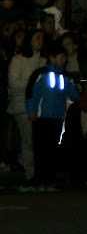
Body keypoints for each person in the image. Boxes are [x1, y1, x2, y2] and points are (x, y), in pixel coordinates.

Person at [25, 42, 81, 187]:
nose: (64, 60)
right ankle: (40, 177)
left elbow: (75, 96)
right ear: (52, 58)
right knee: (40, 148)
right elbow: (31, 94)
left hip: (57, 117)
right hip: (41, 116)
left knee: (52, 147)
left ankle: (49, 177)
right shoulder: (40, 74)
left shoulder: (65, 77)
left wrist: (74, 86)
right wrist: (31, 111)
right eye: (61, 57)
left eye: (64, 57)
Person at [7, 29, 46, 183]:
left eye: (42, 38)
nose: (40, 41)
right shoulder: (18, 60)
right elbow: (14, 83)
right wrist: (33, 83)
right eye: (37, 38)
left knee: (36, 141)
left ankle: (36, 170)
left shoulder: (43, 60)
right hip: (22, 106)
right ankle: (31, 174)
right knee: (28, 140)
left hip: (40, 106)